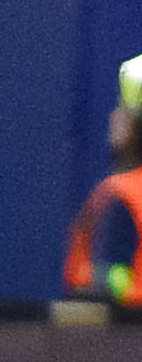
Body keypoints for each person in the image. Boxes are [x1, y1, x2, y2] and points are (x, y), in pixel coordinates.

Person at [64, 54, 142, 306]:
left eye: (122, 109)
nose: (114, 117)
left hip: (122, 335)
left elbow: (106, 281)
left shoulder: (122, 195)